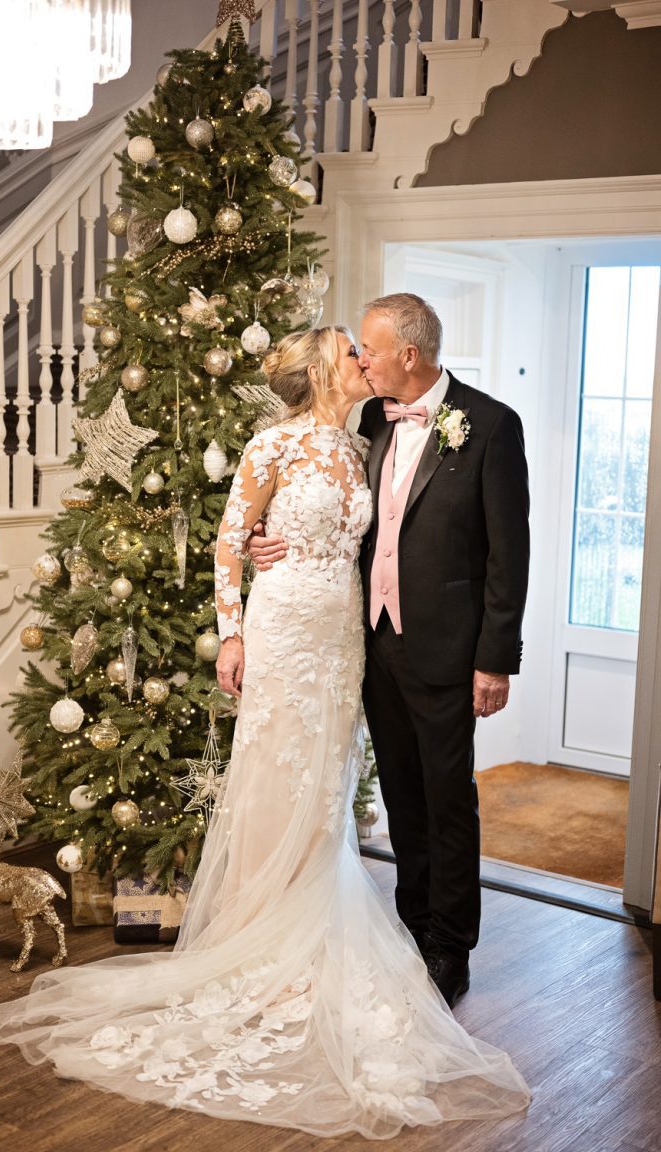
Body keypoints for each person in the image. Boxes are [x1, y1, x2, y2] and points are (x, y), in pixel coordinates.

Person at [0, 326, 529, 1138]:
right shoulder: (271, 444)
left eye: (366, 349)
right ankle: (256, 938)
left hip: (347, 638)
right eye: (351, 353)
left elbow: (394, 537)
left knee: (324, 786)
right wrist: (231, 633)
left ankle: (329, 926)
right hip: (281, 632)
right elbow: (230, 542)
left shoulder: (365, 438)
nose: (362, 362)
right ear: (319, 370)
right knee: (274, 777)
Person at [250, 296, 530, 1010]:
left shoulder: (491, 425)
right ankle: (409, 926)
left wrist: (495, 658)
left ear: (410, 355)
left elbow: (509, 556)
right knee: (403, 796)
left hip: (448, 649)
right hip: (371, 642)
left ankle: (450, 945)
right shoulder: (371, 420)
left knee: (448, 799)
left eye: (368, 351)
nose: (360, 361)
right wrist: (264, 544)